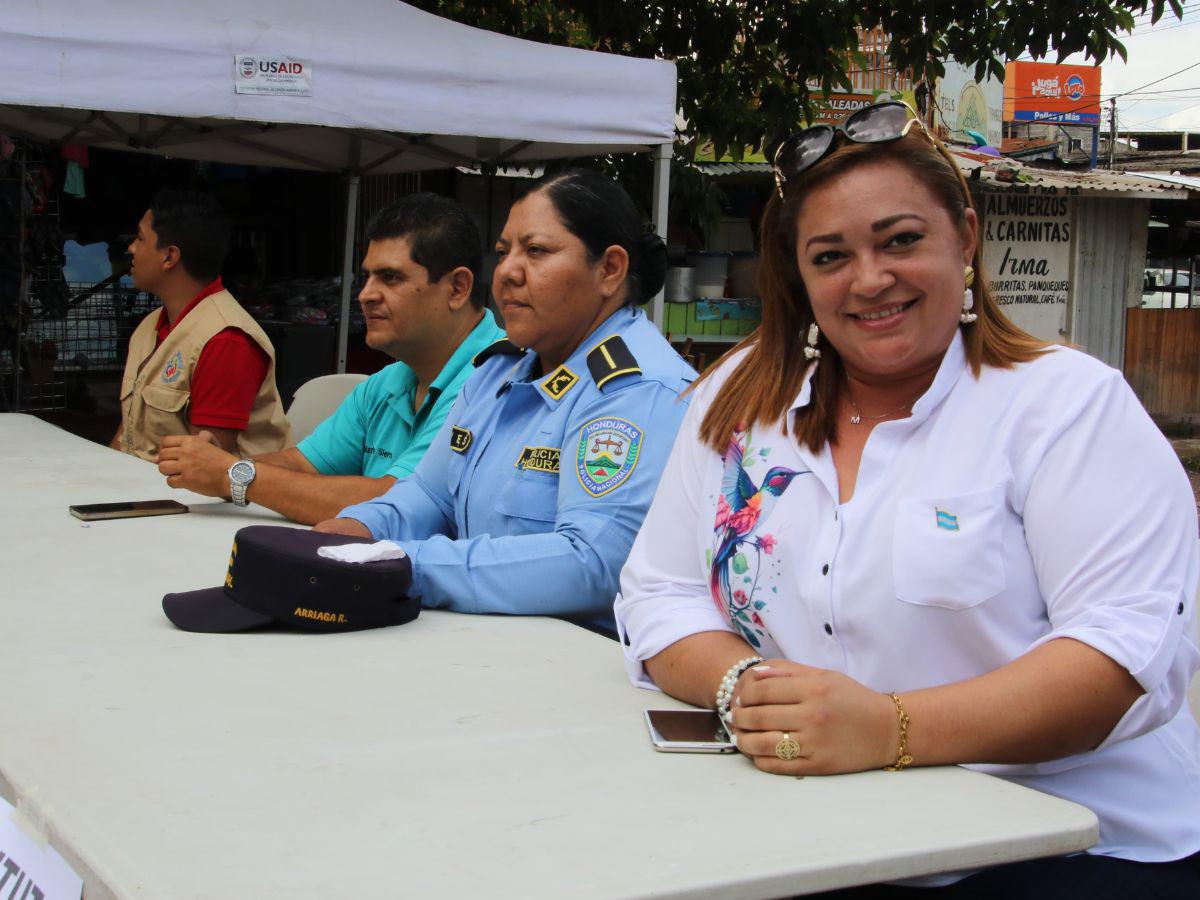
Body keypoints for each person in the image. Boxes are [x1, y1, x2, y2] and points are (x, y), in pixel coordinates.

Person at [615, 101, 1200, 895]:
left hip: (1074, 841)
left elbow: (1121, 656)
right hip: (828, 832)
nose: (869, 279)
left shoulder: (1065, 406)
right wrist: (748, 691)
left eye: (901, 241)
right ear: (798, 273)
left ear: (964, 236)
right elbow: (660, 592)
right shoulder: (735, 403)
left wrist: (889, 729)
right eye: (830, 257)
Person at [314, 169, 696, 633]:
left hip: (579, 668)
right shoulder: (500, 370)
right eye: (503, 252)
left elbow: (592, 562)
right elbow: (428, 495)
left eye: (535, 251)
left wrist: (403, 562)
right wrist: (360, 530)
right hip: (484, 647)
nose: (506, 273)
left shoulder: (635, 389)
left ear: (609, 270)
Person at [154, 193, 504, 524]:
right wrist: (220, 465)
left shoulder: (497, 380)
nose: (366, 295)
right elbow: (305, 464)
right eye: (367, 276)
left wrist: (233, 476)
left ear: (457, 288)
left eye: (391, 278)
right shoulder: (389, 382)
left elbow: (399, 502)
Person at [113, 190, 291, 460]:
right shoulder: (149, 325)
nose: (131, 249)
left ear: (169, 257)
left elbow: (205, 471)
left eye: (139, 238)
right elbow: (126, 437)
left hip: (203, 497)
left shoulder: (226, 340)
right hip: (146, 489)